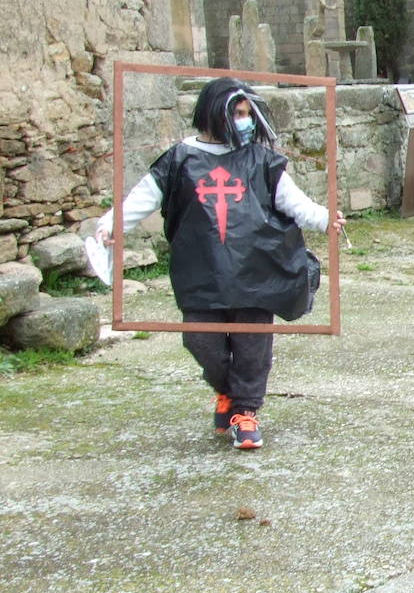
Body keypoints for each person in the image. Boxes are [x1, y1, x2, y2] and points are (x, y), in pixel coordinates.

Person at [95, 78, 343, 450]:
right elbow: (140, 199)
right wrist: (111, 225)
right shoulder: (179, 158)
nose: (244, 120)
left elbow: (294, 202)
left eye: (247, 113)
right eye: (237, 113)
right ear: (215, 112)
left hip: (257, 270)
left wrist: (326, 219)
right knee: (201, 342)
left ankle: (245, 411)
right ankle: (228, 391)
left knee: (251, 345)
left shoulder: (261, 159)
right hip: (202, 272)